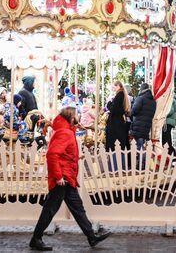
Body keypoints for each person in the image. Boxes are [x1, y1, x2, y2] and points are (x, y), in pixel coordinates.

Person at [30, 104, 111, 250]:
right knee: (50, 209)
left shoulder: (67, 131)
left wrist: (74, 157)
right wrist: (58, 176)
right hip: (62, 179)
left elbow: (62, 153)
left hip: (67, 178)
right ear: (71, 117)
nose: (79, 116)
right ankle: (36, 238)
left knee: (77, 208)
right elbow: (52, 155)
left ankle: (91, 236)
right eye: (77, 114)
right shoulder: (65, 133)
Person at [105, 81, 130, 152]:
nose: (114, 88)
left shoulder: (120, 94)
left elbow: (114, 109)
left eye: (114, 86)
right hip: (118, 122)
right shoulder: (122, 94)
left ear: (118, 86)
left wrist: (109, 103)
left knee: (115, 145)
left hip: (115, 124)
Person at [130, 83, 156, 151]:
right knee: (141, 146)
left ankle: (142, 161)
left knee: (139, 147)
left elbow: (134, 111)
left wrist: (129, 112)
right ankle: (143, 160)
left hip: (138, 126)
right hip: (146, 126)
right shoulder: (153, 101)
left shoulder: (140, 98)